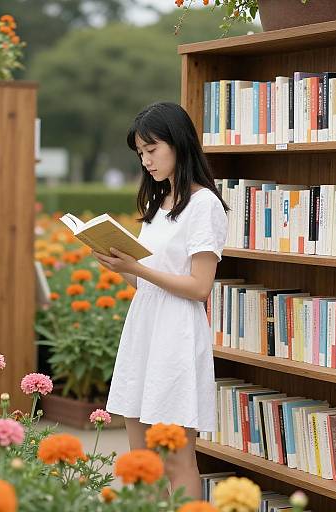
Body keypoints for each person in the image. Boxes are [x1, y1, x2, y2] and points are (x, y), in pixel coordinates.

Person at [93, 102, 229, 499]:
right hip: (144, 329)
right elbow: (149, 280)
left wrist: (140, 269)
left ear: (179, 143)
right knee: (142, 454)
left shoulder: (203, 205)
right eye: (140, 153)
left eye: (152, 149)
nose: (146, 160)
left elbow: (200, 286)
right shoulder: (158, 204)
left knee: (177, 458)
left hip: (177, 335)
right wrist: (123, 267)